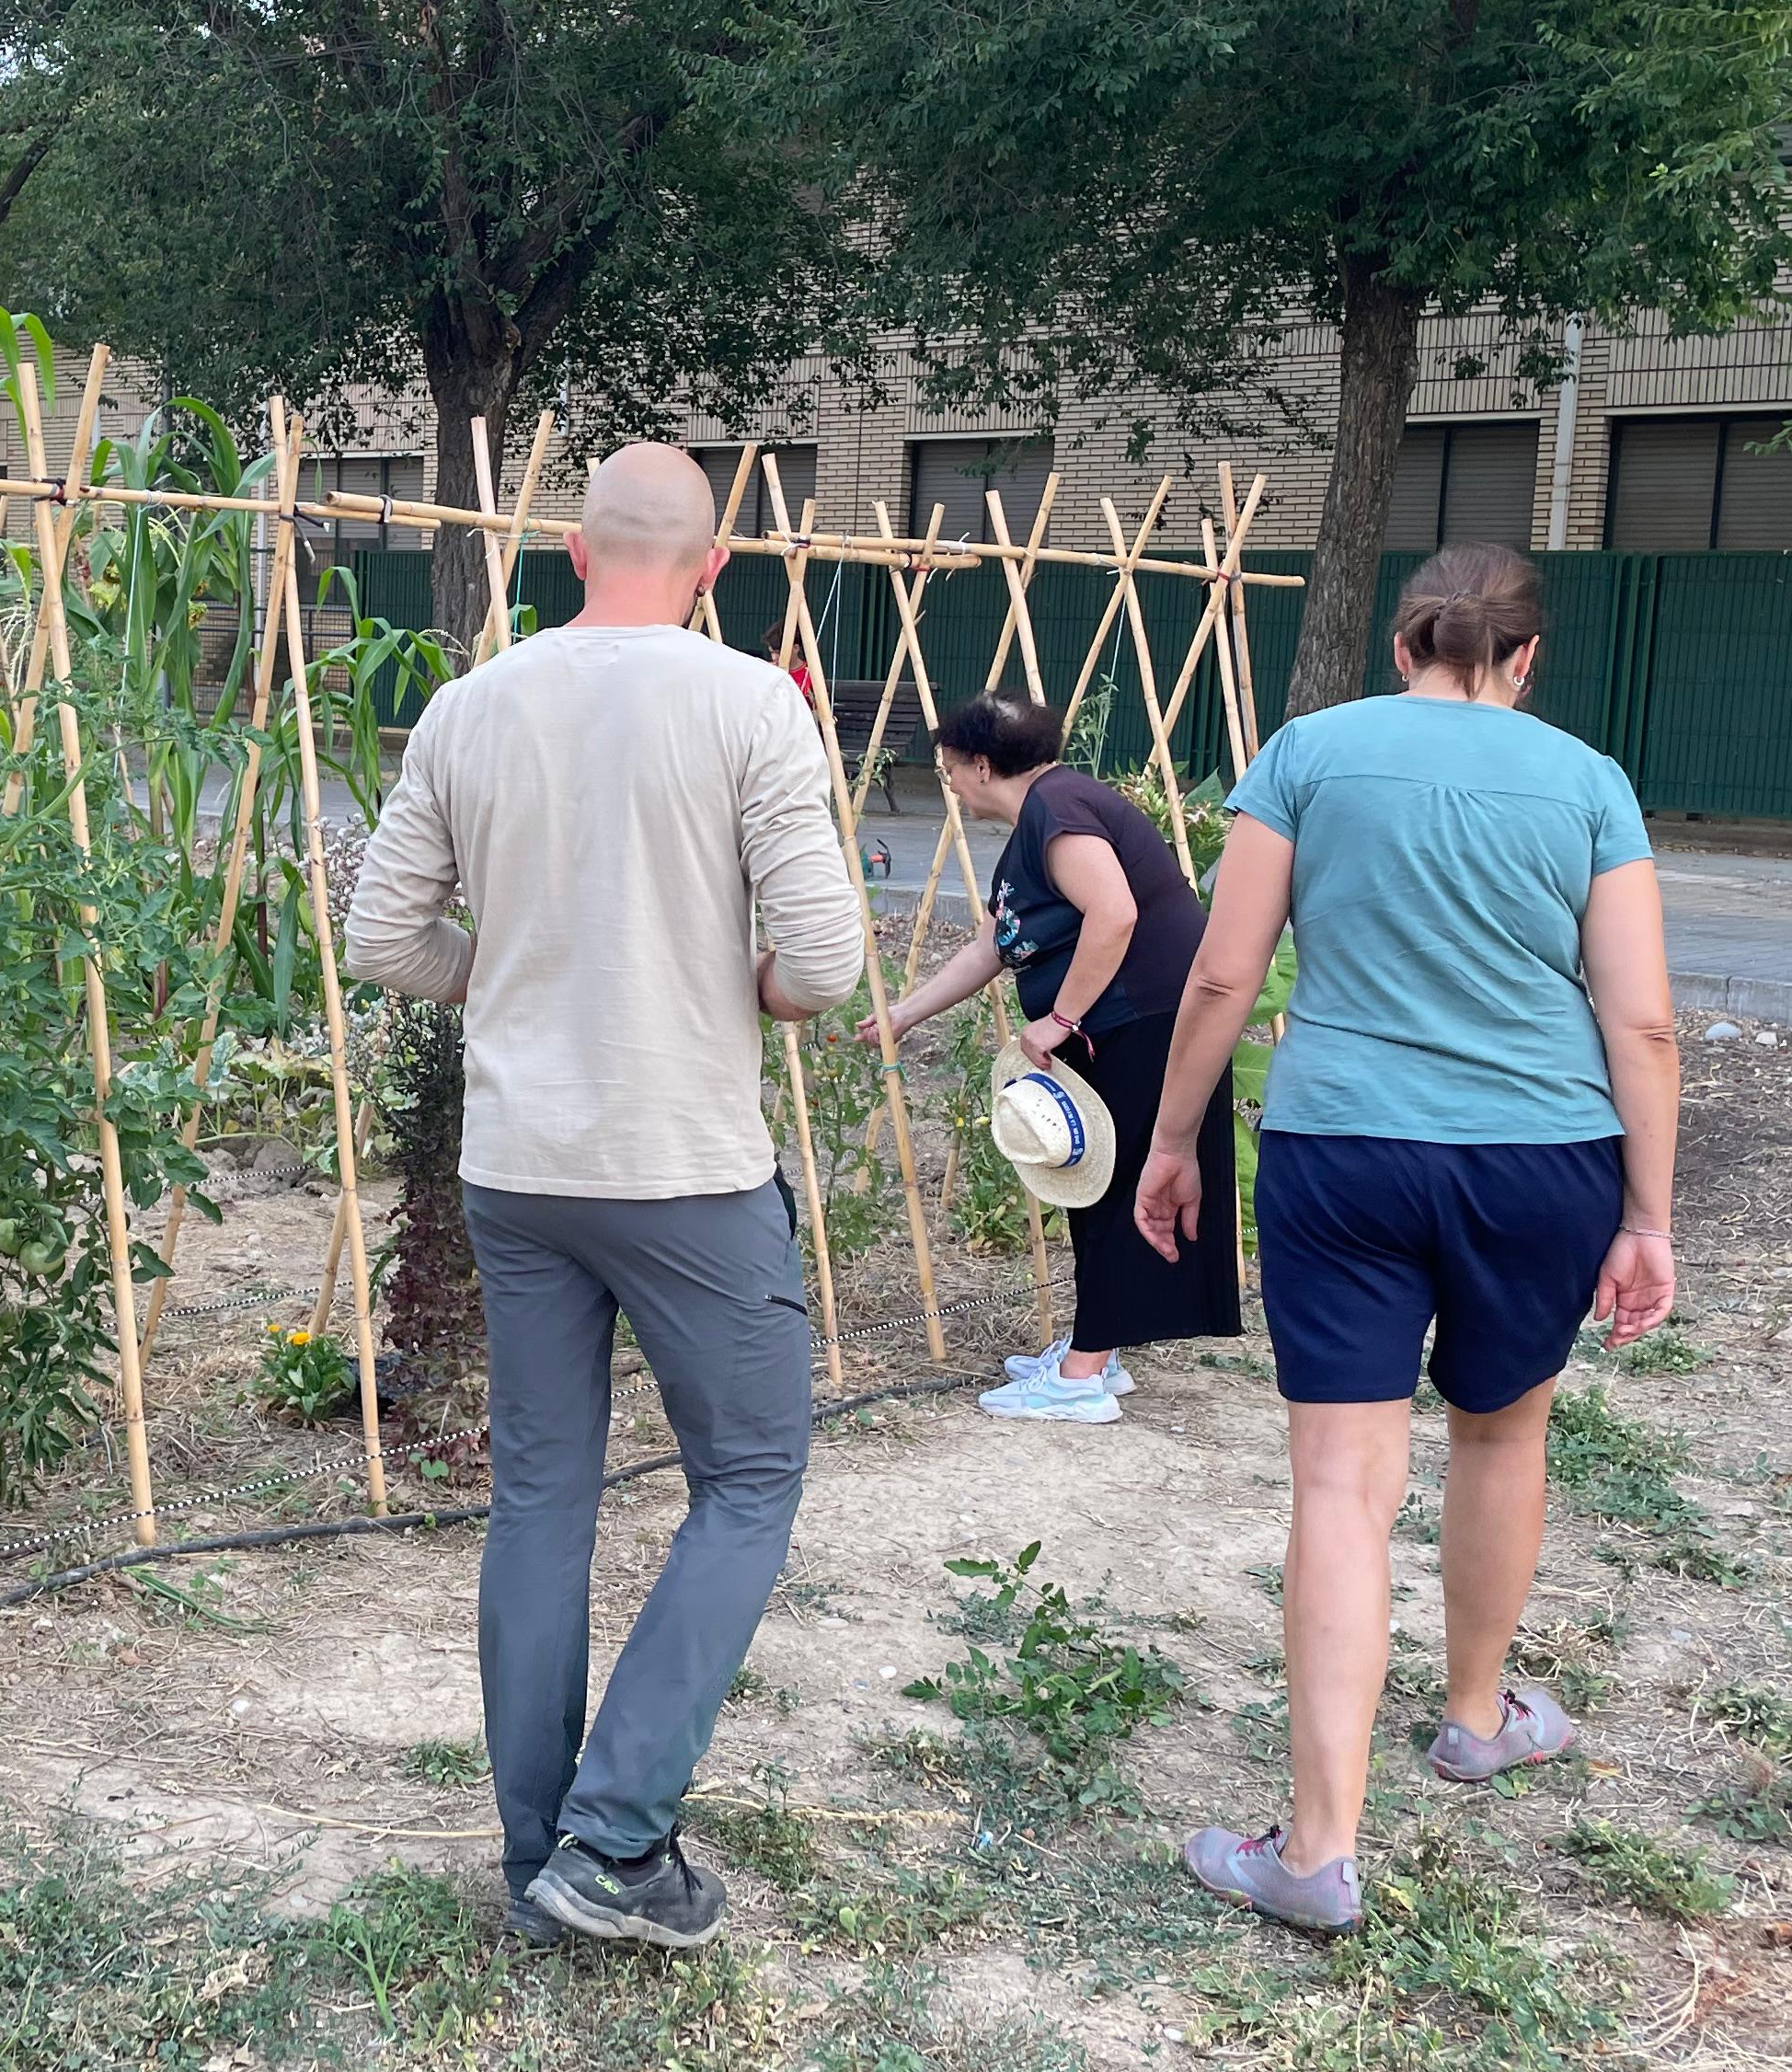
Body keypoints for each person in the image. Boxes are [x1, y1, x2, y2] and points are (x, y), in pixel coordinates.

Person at [348, 442, 862, 1952]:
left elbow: (387, 937)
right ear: (712, 569)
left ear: (572, 552)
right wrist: (745, 982)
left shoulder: (468, 707)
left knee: (543, 1495)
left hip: (519, 1170)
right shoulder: (746, 703)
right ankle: (615, 1831)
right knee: (753, 1474)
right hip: (686, 1165)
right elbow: (823, 965)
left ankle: (533, 1857)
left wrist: (504, 982)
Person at [1131, 543, 1680, 1934]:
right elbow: (1644, 1022)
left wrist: (1177, 1136)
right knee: (1502, 1430)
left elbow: (1223, 968)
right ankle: (1479, 1717)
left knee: (1339, 1485)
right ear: (1526, 659)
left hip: (1345, 1152)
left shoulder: (1309, 753)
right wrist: (1651, 1215)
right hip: (1544, 1162)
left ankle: (1316, 1851)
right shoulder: (1592, 783)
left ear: (1404, 647)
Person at [867, 695, 1239, 1421]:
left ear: (981, 764)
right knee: (1099, 1183)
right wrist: (905, 1015)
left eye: (949, 771)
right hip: (1135, 1022)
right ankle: (1096, 1349)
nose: (950, 784)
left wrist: (1060, 1017)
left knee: (1117, 1180)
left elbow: (1116, 913)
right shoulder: (1048, 812)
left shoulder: (1059, 810)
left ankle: (1080, 1376)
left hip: (1146, 1021)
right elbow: (991, 944)